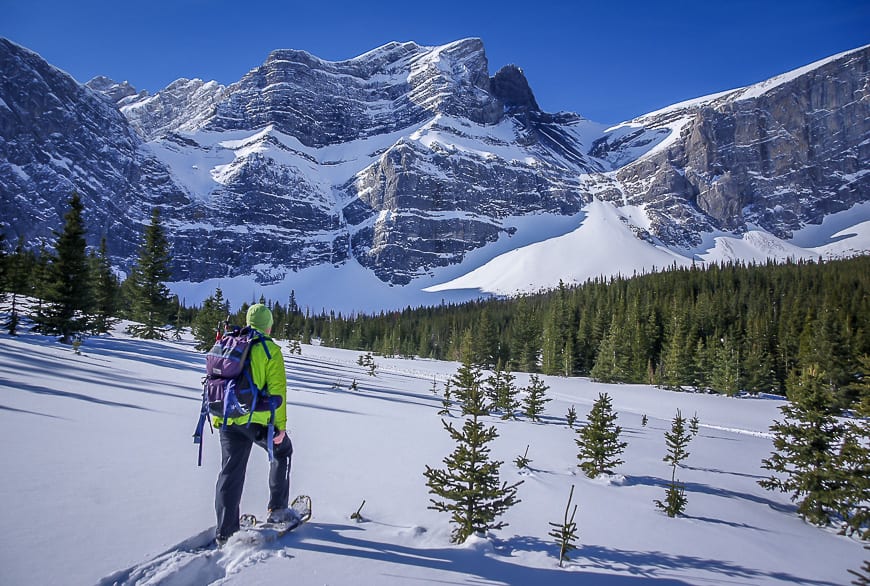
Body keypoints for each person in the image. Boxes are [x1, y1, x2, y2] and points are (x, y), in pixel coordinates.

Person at [213, 303, 294, 545]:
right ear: (268, 325)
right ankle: (278, 508)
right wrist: (280, 429)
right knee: (284, 450)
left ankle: (225, 531)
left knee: (231, 471)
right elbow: (278, 394)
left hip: (226, 417)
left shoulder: (231, 342)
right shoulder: (269, 350)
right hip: (255, 420)